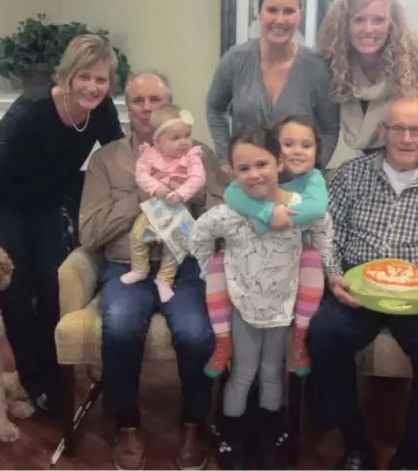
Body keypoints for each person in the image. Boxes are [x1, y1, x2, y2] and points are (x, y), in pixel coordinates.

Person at [0, 34, 123, 413]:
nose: (93, 87)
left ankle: (54, 371)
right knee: (15, 286)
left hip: (46, 199)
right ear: (67, 76)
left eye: (101, 79)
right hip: (2, 197)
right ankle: (34, 380)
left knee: (52, 283)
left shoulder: (103, 111)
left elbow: (118, 155)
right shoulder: (32, 109)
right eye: (85, 77)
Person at [307, 97, 418, 470]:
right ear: (383, 132)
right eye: (397, 127)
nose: (406, 137)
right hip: (358, 287)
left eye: (417, 129)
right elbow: (326, 234)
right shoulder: (352, 174)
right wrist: (334, 276)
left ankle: (413, 450)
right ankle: (355, 443)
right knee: (323, 334)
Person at [78, 70, 226, 470]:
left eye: (155, 100)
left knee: (197, 334)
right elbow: (89, 234)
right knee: (121, 326)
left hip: (186, 266)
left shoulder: (199, 155)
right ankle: (126, 424)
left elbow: (221, 218)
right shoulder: (107, 160)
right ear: (128, 108)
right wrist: (141, 198)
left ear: (171, 106)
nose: (146, 109)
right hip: (127, 264)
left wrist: (190, 200)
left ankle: (194, 422)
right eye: (137, 101)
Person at [190, 124, 335, 470]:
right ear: (233, 171)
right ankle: (232, 438)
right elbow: (197, 235)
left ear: (279, 162)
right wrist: (211, 270)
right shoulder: (230, 212)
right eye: (244, 168)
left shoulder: (299, 209)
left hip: (282, 306)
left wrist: (332, 273)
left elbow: (325, 231)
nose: (254, 174)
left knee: (272, 373)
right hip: (242, 307)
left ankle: (271, 438)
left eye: (262, 164)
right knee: (243, 373)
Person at [204, 116, 328, 379]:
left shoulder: (313, 179)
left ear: (317, 151)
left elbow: (317, 210)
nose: (296, 150)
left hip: (291, 256)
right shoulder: (264, 171)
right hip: (253, 255)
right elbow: (232, 194)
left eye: (306, 145)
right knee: (217, 263)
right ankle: (222, 338)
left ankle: (299, 335)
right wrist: (266, 213)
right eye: (288, 143)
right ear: (276, 151)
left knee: (312, 258)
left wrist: (278, 217)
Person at [206, 0, 340, 180]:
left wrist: (313, 169)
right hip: (247, 184)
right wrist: (224, 159)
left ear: (300, 15)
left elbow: (330, 128)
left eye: (288, 11)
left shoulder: (317, 67)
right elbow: (214, 109)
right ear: (259, 12)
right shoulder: (235, 59)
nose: (280, 20)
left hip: (297, 189)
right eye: (272, 10)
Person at [317, 0, 418, 160]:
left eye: (378, 20)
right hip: (366, 162)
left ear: (392, 24)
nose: (368, 29)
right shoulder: (335, 66)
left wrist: (409, 156)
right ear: (345, 25)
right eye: (359, 19)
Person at [120, 104, 206, 303]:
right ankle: (140, 269)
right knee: (137, 235)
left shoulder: (192, 157)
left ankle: (164, 280)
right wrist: (156, 189)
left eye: (186, 135)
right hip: (155, 208)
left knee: (175, 245)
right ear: (157, 141)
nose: (183, 142)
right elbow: (140, 175)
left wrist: (182, 193)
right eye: (175, 138)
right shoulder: (149, 155)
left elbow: (197, 178)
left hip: (177, 209)